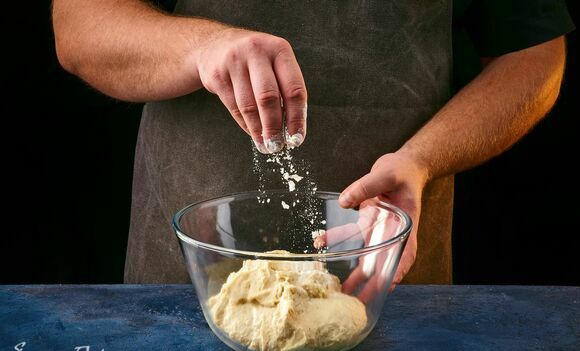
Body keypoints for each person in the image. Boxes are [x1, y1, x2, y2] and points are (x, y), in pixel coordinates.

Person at [52, 0, 574, 286]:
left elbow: (534, 54)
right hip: (184, 285)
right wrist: (200, 46)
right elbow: (79, 22)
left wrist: (421, 159)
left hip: (386, 271)